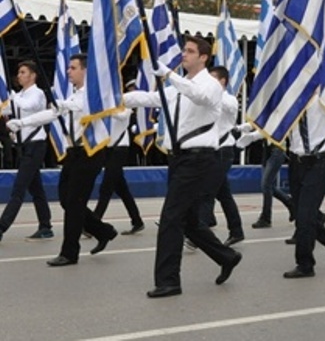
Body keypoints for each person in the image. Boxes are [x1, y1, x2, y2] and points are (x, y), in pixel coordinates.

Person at [123, 36, 242, 297]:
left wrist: (168, 74)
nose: (184, 55)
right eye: (184, 51)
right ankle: (226, 256)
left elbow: (199, 96)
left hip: (199, 159)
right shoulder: (179, 86)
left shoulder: (211, 85)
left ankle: (169, 281)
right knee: (187, 220)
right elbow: (152, 98)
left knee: (171, 218)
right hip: (179, 158)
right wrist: (117, 99)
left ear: (203, 57)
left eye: (189, 51)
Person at [8, 54, 118, 266]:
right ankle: (103, 231)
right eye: (68, 68)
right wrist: (21, 123)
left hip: (91, 152)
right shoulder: (75, 95)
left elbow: (79, 109)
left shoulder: (94, 96)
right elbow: (51, 114)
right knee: (66, 200)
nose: (68, 71)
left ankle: (69, 252)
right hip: (74, 153)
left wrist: (61, 107)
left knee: (75, 203)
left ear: (85, 71)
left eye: (73, 68)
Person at [282, 96, 325, 278]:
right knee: (303, 215)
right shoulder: (292, 99)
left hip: (318, 162)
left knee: (305, 216)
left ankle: (305, 264)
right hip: (296, 162)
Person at [0, 61, 53, 242]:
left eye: (23, 72)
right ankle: (45, 226)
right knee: (36, 189)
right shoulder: (20, 95)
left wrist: (12, 97)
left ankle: (1, 227)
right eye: (18, 72)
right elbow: (6, 108)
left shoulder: (37, 94)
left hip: (36, 145)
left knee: (18, 189)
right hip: (24, 146)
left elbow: (28, 106)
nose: (19, 75)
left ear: (33, 75)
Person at [93, 81, 145, 236]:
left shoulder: (124, 104)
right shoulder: (106, 105)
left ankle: (94, 222)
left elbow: (121, 116)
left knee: (107, 187)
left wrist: (107, 108)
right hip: (108, 148)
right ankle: (137, 220)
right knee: (122, 189)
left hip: (120, 148)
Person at [201, 66, 245, 247]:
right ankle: (237, 230)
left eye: (212, 79)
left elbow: (226, 106)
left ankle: (199, 233)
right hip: (211, 150)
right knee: (223, 194)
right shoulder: (208, 100)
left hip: (223, 150)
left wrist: (214, 91)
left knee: (207, 192)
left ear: (223, 82)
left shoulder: (229, 100)